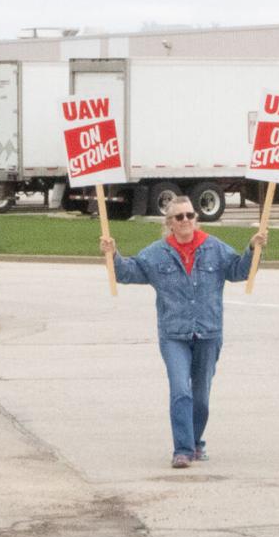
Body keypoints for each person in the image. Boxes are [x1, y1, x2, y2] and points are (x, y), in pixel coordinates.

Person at [100, 196, 267, 469]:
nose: (186, 220)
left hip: (208, 333)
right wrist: (112, 254)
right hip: (174, 335)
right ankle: (183, 450)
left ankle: (196, 442)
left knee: (200, 397)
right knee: (181, 391)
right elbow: (128, 272)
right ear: (170, 224)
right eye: (179, 217)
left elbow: (238, 270)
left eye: (190, 215)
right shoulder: (156, 253)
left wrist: (253, 249)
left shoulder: (214, 248)